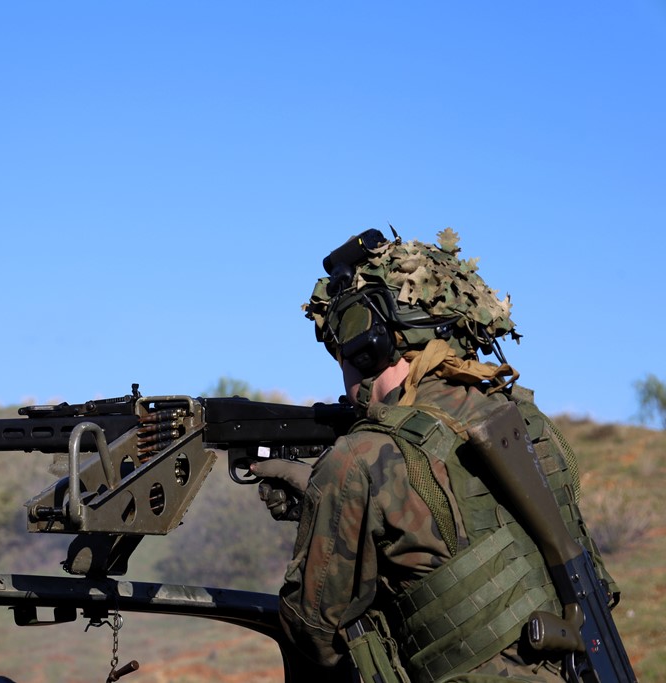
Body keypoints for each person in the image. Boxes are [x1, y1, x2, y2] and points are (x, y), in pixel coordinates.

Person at [251, 228, 620, 682]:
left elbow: (313, 633)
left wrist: (326, 503)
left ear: (367, 345)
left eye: (340, 349)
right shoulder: (528, 424)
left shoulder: (361, 457)